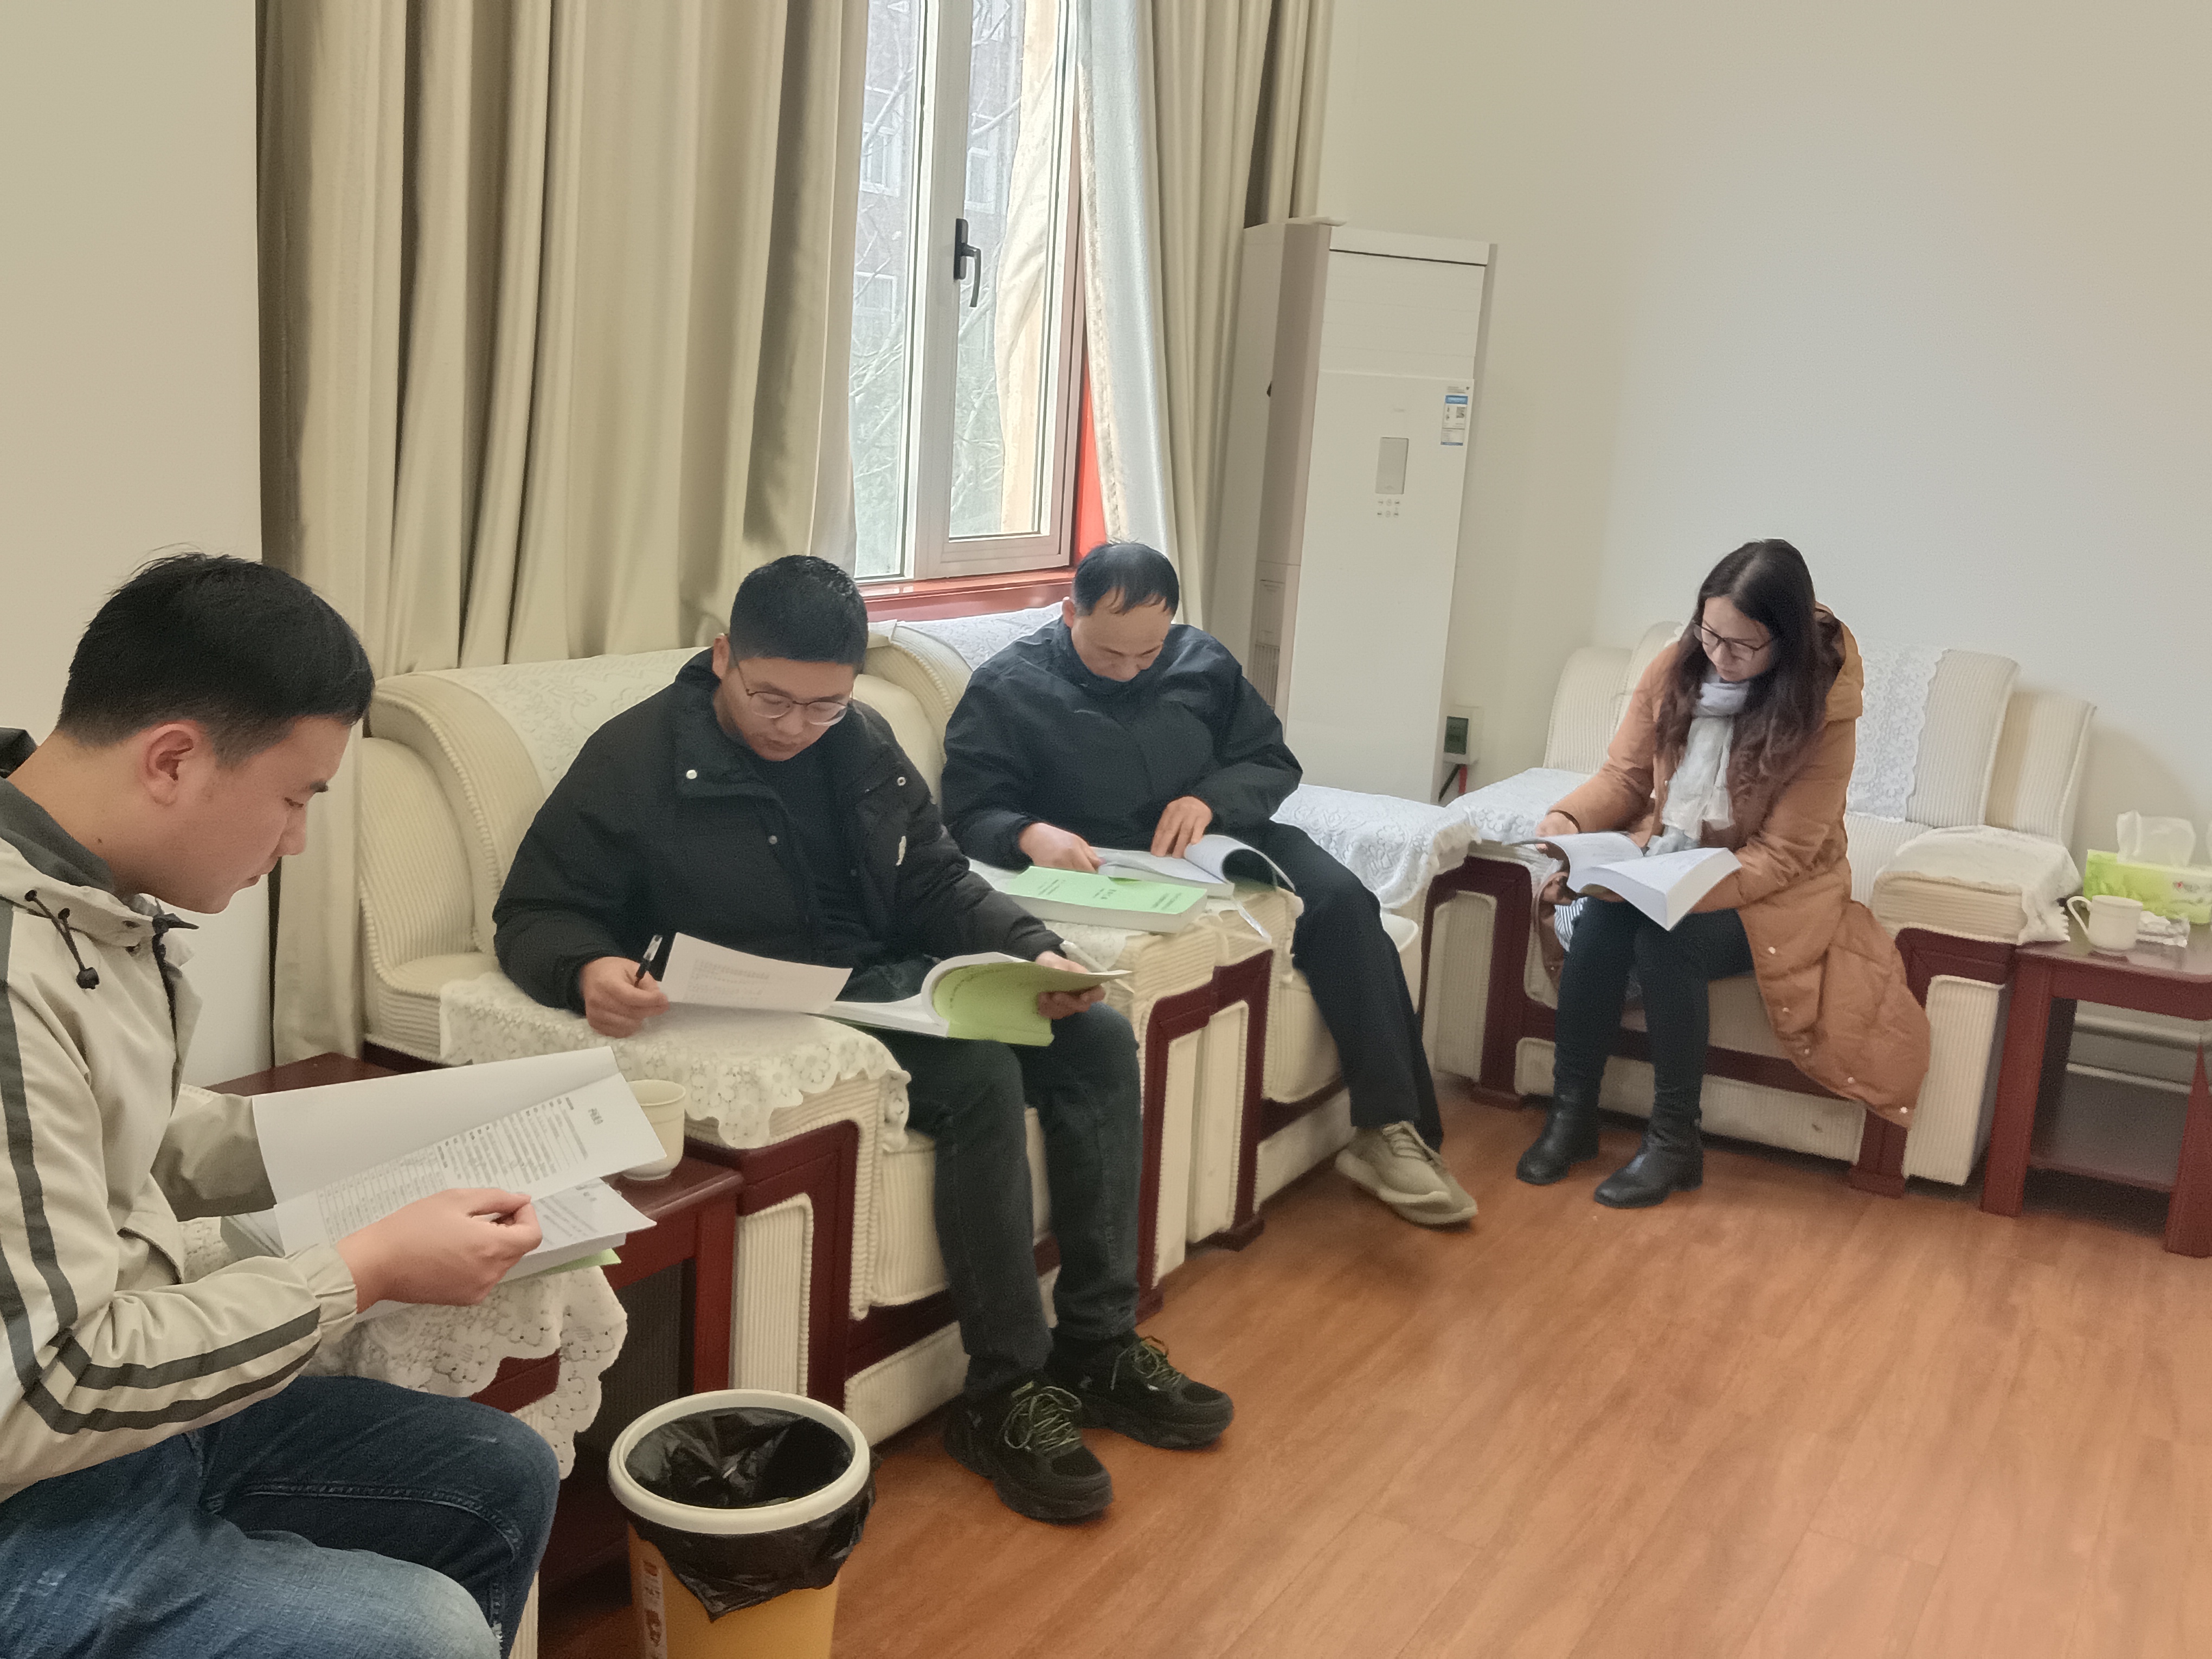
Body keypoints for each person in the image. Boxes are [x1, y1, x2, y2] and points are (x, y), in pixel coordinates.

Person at [493, 554, 1233, 1524]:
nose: (795, 726)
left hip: (889, 983)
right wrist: (585, 967)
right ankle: (1004, 1395)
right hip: (779, 1005)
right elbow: (534, 913)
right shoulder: (636, 759)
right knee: (975, 1074)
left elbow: (936, 879)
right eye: (771, 699)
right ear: (723, 656)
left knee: (1094, 1036)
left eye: (824, 705)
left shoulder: (863, 739)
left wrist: (1033, 949)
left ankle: (1097, 1346)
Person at [0, 554, 558, 1659]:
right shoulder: (14, 971)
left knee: (500, 1474)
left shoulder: (79, 894)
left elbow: (131, 1129)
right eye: (296, 797)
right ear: (173, 759)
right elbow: (52, 1387)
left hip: (112, 1435)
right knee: (426, 1634)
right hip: (35, 1483)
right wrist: (364, 1270)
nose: (296, 840)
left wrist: (403, 1131)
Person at [938, 543, 1477, 1229]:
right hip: (1106, 862)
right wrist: (1028, 834)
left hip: (1223, 839)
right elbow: (970, 809)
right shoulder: (1008, 687)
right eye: (1109, 654)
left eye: (1148, 652)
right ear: (1071, 613)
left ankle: (1388, 1130)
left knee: (1344, 901)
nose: (1130, 669)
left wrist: (1210, 801)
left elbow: (1271, 760)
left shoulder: (1201, 660)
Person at [1515, 539, 1931, 1207]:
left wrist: (1671, 891)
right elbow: (1625, 778)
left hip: (1780, 893)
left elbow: (1782, 856)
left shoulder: (1824, 708)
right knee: (1603, 918)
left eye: (1741, 646)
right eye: (1709, 633)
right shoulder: (1676, 665)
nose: (1718, 655)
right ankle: (1573, 1114)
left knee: (1667, 937)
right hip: (1673, 861)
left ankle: (1674, 1139)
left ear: (1785, 644)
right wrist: (1566, 820)